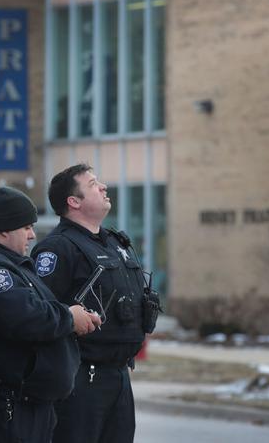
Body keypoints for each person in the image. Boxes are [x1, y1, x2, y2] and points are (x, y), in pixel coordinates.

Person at [0, 186, 102, 443]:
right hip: (4, 407)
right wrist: (70, 318)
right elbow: (26, 318)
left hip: (25, 404)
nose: (31, 235)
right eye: (26, 227)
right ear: (5, 229)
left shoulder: (6, 261)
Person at [31, 164, 159, 443]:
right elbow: (41, 313)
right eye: (92, 184)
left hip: (119, 375)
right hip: (80, 379)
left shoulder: (115, 243)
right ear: (73, 201)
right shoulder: (57, 249)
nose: (103, 187)